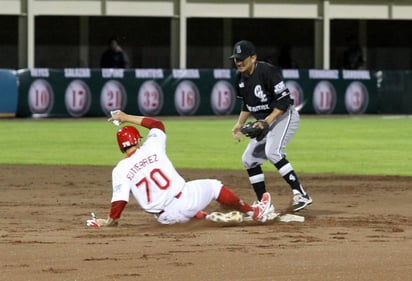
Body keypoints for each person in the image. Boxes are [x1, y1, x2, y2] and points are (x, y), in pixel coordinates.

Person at [88, 111, 272, 226]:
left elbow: (119, 202)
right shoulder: (152, 146)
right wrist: (126, 117)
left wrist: (111, 222)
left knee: (180, 211)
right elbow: (157, 125)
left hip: (165, 217)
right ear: (137, 140)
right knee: (215, 186)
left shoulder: (120, 169)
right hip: (185, 198)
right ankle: (253, 212)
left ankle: (206, 218)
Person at [229, 40, 312, 212]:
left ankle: (300, 193)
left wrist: (266, 122)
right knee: (249, 160)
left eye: (242, 58)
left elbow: (283, 101)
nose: (238, 62)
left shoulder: (268, 72)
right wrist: (239, 124)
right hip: (265, 122)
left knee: (273, 152)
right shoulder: (240, 78)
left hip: (284, 117)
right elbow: (247, 104)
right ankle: (264, 203)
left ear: (253, 58)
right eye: (236, 58)